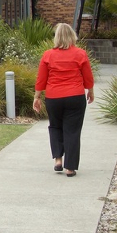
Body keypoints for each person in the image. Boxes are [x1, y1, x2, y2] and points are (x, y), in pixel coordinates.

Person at [33, 23, 95, 177]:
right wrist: (90, 91)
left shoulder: (48, 55)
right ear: (72, 36)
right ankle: (70, 168)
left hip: (54, 97)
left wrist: (37, 97)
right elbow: (88, 76)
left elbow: (41, 78)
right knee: (72, 131)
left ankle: (58, 160)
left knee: (55, 127)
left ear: (57, 37)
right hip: (75, 97)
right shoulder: (80, 54)